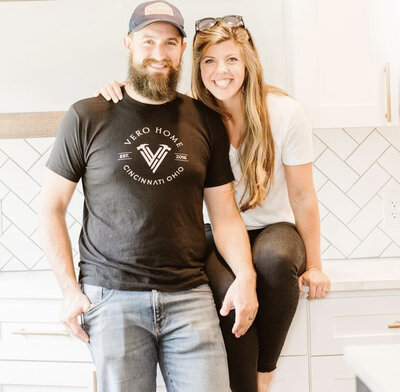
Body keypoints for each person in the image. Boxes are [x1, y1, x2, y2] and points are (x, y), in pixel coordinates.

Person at [98, 12, 331, 392]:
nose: (221, 71)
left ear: (248, 62)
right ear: (197, 65)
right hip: (220, 233)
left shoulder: (285, 113)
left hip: (273, 229)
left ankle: (263, 373)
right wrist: (119, 89)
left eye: (231, 60)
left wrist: (316, 265)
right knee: (225, 294)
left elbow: (303, 195)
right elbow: (145, 99)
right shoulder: (195, 117)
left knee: (273, 260)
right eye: (209, 61)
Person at [39, 2, 259, 392]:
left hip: (190, 297)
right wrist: (69, 291)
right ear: (129, 43)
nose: (159, 54)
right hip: (110, 298)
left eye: (170, 43)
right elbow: (51, 209)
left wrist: (246, 276)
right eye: (148, 41)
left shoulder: (205, 120)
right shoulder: (88, 115)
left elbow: (224, 215)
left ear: (182, 49)